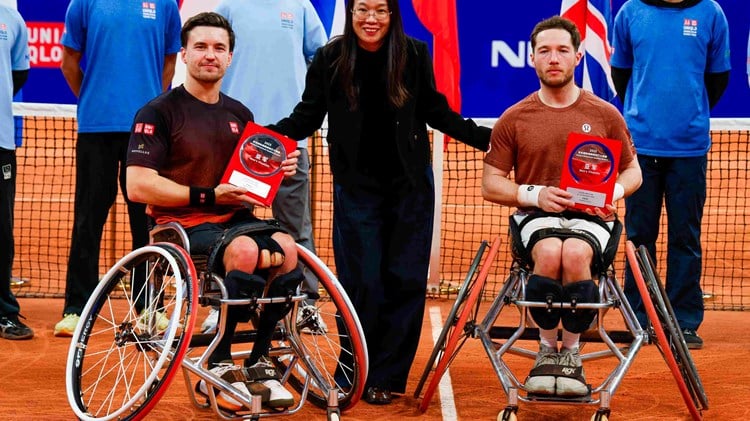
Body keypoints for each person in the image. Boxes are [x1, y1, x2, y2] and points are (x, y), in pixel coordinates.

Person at [268, 0, 491, 405]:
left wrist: (489, 139)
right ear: (351, 14)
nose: (371, 19)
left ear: (392, 15)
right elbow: (306, 116)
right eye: (362, 10)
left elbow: (436, 112)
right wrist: (266, 137)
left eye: (381, 10)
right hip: (356, 192)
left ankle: (388, 377)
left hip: (411, 190)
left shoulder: (414, 53)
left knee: (404, 282)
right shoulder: (330, 58)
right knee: (360, 284)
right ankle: (354, 369)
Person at [126, 12, 302, 411]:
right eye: (201, 47)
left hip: (234, 219)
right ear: (184, 54)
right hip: (179, 225)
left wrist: (276, 169)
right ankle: (220, 359)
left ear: (230, 57)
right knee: (245, 252)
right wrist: (209, 197)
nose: (210, 55)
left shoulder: (240, 115)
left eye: (219, 48)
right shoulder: (157, 112)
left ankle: (260, 362)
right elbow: (138, 186)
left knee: (288, 248)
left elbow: (249, 184)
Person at [481, 16, 641, 397]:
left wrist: (612, 192)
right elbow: (491, 183)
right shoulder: (514, 118)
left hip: (593, 220)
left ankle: (568, 352)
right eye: (545, 51)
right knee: (552, 250)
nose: (554, 58)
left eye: (562, 51)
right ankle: (544, 349)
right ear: (533, 59)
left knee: (574, 253)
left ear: (578, 56)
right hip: (536, 218)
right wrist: (534, 195)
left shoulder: (605, 114)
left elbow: (634, 170)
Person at [199, 0, 328, 335]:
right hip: (235, 140)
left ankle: (304, 305)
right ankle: (220, 305)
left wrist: (307, 102)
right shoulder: (229, 7)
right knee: (223, 229)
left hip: (289, 141)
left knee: (296, 229)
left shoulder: (300, 7)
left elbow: (323, 59)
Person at [54, 0, 182, 337]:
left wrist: (150, 106)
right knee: (88, 219)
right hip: (96, 128)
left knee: (148, 221)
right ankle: (76, 308)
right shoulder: (84, 2)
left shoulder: (165, 5)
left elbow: (169, 62)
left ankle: (150, 308)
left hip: (146, 131)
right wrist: (93, 98)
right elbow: (69, 61)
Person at [611, 0, 730, 349]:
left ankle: (683, 323)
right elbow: (622, 73)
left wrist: (690, 112)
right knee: (638, 237)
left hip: (689, 149)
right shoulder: (630, 12)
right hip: (641, 148)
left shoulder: (711, 12)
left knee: (685, 238)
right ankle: (638, 317)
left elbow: (718, 78)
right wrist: (642, 111)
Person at [0, 5, 33, 341]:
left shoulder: (11, 17)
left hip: (0, 140)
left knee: (1, 231)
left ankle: (4, 311)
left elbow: (18, 73)